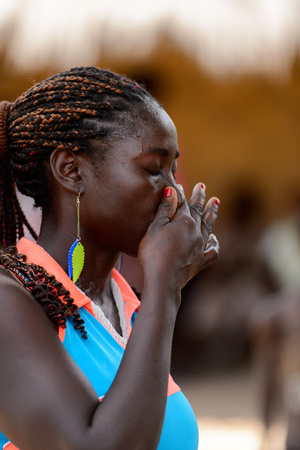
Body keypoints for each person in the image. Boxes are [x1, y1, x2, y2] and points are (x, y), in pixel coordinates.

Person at [0, 66, 219, 450]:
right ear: (71, 171)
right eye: (153, 169)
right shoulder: (8, 302)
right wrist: (165, 288)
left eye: (173, 170)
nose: (174, 193)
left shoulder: (130, 308)